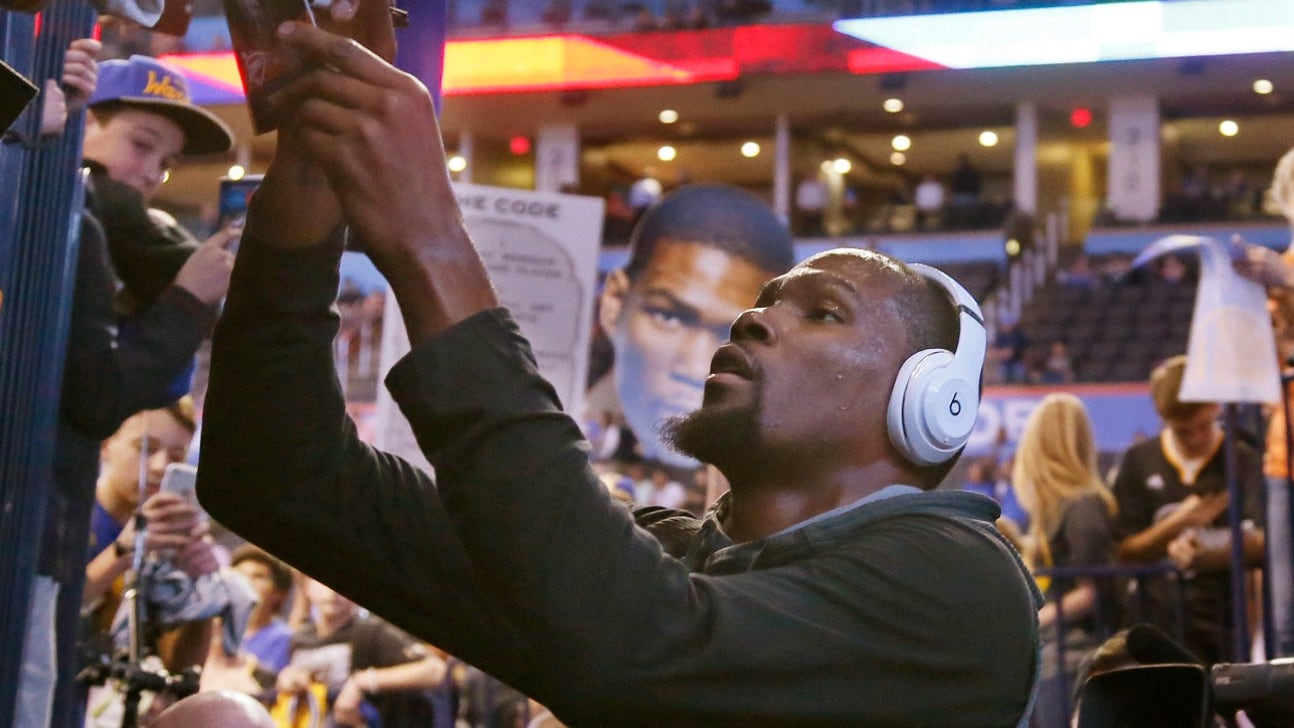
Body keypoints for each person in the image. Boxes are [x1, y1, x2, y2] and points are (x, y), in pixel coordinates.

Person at [197, 11, 1041, 726]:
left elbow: (639, 647)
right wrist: (313, 163)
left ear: (927, 402)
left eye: (823, 312)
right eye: (768, 298)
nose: (754, 316)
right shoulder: (660, 557)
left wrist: (433, 240)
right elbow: (276, 475)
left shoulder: (960, 581)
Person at [19, 51, 236, 728]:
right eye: (140, 145)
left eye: (165, 163)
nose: (149, 174)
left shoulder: (95, 230)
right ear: (79, 120)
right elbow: (97, 395)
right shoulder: (65, 218)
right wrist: (188, 297)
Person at [585, 183, 795, 471]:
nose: (697, 369)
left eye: (734, 335)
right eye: (668, 318)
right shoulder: (560, 421)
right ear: (614, 302)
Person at [1111, 356, 1266, 665]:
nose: (1195, 438)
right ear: (1162, 416)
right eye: (1183, 431)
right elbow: (1123, 550)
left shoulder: (1244, 458)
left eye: (1203, 426)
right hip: (1154, 626)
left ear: (1215, 408)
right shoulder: (1138, 461)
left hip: (1226, 626)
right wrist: (1178, 523)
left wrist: (1207, 554)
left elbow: (1264, 543)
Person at [1011, 394, 1118, 726]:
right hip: (1055, 653)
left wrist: (1035, 617)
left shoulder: (1082, 507)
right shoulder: (1057, 509)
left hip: (1074, 655)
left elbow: (1091, 591)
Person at [277, 578, 445, 728]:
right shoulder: (301, 636)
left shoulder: (371, 631)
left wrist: (363, 681)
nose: (332, 593)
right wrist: (288, 679)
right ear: (307, 586)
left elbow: (435, 670)